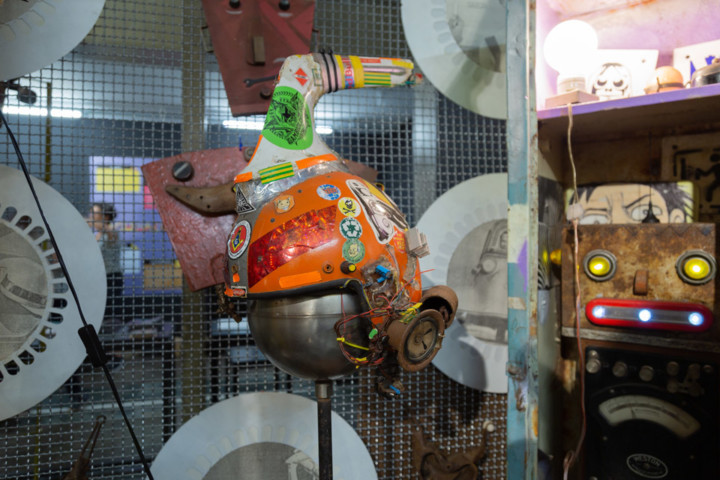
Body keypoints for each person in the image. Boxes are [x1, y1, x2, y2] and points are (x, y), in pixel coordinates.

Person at [88, 202, 124, 320]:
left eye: (94, 213)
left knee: (109, 314)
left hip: (111, 278)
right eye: (91, 213)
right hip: (99, 279)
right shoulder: (97, 235)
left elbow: (107, 230)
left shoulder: (112, 232)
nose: (91, 216)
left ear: (106, 217)